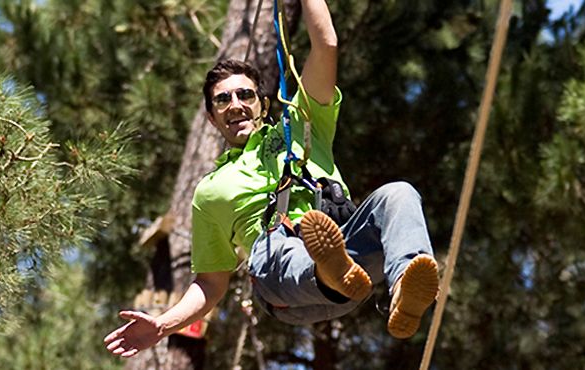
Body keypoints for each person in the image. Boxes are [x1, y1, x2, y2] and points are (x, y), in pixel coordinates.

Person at [104, 0, 439, 358]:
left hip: (352, 266)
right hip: (284, 289)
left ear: (263, 104)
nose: (235, 104)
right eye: (222, 100)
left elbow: (325, 44)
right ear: (211, 118)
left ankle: (405, 285)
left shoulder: (302, 126)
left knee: (398, 194)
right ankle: (328, 269)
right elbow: (210, 283)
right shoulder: (210, 191)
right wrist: (163, 325)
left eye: (245, 94)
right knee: (282, 241)